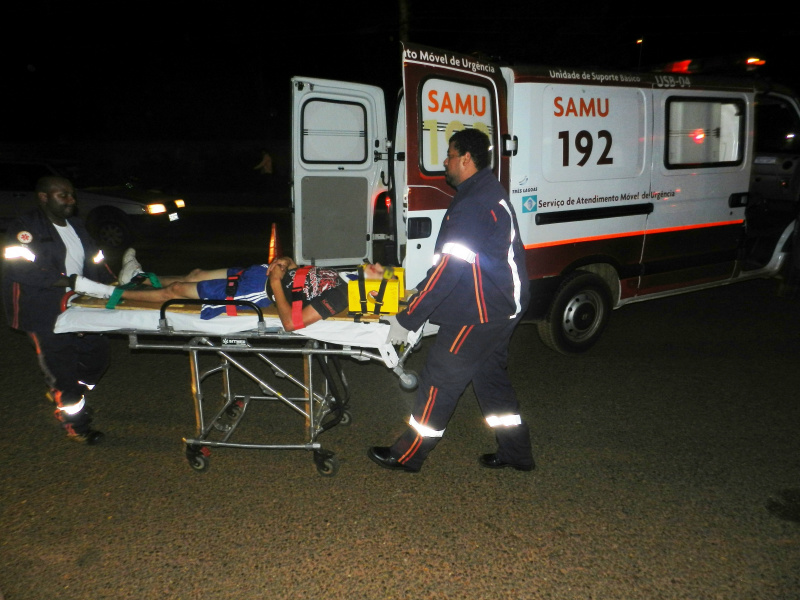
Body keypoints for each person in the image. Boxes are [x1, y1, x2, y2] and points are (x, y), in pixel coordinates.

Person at [371, 128, 533, 473]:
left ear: (466, 159)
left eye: (449, 155)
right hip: (502, 306)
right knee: (491, 381)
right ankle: (517, 453)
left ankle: (407, 455)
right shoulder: (485, 191)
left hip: (479, 311)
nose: (444, 162)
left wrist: (408, 317)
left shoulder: (474, 202)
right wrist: (418, 292)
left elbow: (449, 268)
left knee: (440, 379)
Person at [2, 176, 116, 444]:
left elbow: (95, 259)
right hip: (42, 308)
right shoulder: (25, 227)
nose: (71, 200)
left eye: (72, 195)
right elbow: (19, 267)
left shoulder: (77, 225)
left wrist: (112, 282)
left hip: (80, 304)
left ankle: (69, 391)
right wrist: (71, 281)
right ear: (44, 197)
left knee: (97, 356)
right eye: (62, 195)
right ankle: (74, 422)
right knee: (61, 367)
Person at [73, 250, 392, 331]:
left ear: (373, 291)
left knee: (179, 290)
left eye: (380, 273)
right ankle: (137, 276)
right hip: (260, 274)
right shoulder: (349, 277)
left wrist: (278, 281)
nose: (376, 266)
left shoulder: (340, 297)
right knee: (195, 273)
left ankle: (107, 293)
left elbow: (292, 322)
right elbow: (304, 274)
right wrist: (286, 262)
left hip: (259, 292)